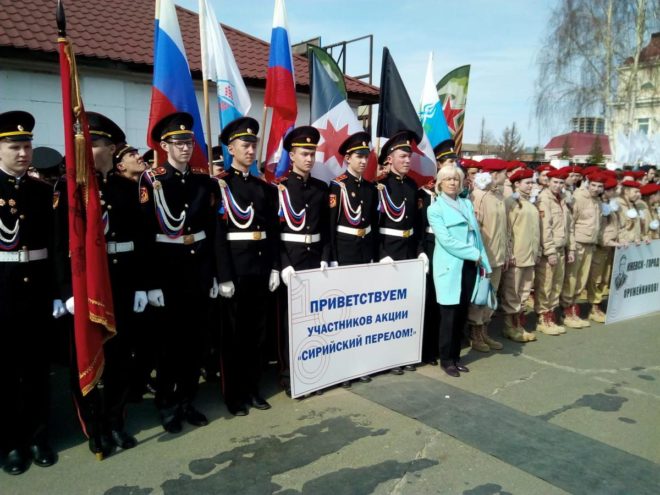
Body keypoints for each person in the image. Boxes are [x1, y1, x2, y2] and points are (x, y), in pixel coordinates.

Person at [53, 113, 150, 457]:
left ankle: (115, 420)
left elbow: (142, 241)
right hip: (88, 286)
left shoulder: (127, 188)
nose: (85, 149)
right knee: (88, 354)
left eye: (93, 144)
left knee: (121, 356)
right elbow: (59, 243)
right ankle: (94, 427)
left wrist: (142, 286)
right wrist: (65, 291)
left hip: (122, 282)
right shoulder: (72, 189)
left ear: (111, 148)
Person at [140, 112, 218, 433]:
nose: (185, 148)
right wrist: (150, 283)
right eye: (178, 143)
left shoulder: (202, 180)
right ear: (164, 146)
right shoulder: (153, 180)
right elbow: (145, 235)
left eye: (189, 142)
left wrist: (213, 274)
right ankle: (166, 402)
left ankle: (187, 399)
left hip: (197, 269)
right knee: (169, 344)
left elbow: (210, 230)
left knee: (195, 342)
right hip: (168, 272)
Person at [0, 111, 57, 475]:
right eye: (14, 147)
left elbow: (54, 245)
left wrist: (58, 291)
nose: (23, 153)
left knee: (37, 368)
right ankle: (10, 443)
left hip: (36, 287)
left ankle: (38, 436)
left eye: (27, 146)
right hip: (2, 288)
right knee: (5, 371)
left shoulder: (43, 191)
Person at [215, 117, 280, 415]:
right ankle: (234, 395)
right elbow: (218, 234)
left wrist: (275, 267)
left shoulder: (264, 188)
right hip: (236, 271)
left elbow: (272, 232)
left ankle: (253, 389)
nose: (251, 150)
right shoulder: (220, 185)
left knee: (257, 335)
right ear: (231, 149)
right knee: (234, 337)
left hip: (260, 268)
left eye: (254, 145)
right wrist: (224, 275)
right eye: (245, 145)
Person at [276, 126, 331, 393]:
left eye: (312, 153)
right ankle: (289, 374)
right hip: (293, 263)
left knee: (314, 320)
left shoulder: (321, 188)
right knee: (290, 323)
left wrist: (326, 258)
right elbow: (275, 233)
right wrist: (284, 264)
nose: (309, 158)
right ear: (292, 156)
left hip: (314, 261)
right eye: (304, 153)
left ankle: (312, 371)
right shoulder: (280, 188)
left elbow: (327, 229)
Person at [427, 164, 491, 377]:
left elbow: (477, 236)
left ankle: (456, 357)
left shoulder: (466, 203)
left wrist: (483, 260)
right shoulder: (435, 209)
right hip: (449, 266)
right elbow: (446, 241)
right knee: (449, 315)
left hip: (469, 265)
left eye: (456, 179)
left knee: (462, 312)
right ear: (440, 183)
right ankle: (446, 360)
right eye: (448, 179)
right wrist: (474, 254)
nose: (452, 183)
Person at [328, 131, 379, 386]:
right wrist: (332, 258)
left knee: (361, 313)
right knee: (343, 315)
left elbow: (373, 225)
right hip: (345, 254)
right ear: (347, 158)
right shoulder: (337, 186)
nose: (363, 161)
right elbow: (331, 226)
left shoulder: (370, 188)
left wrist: (372, 256)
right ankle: (342, 367)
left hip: (363, 254)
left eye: (366, 156)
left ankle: (359, 363)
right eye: (358, 156)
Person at [376, 130, 429, 374]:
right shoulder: (380, 186)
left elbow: (417, 224)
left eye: (409, 157)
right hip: (389, 254)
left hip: (408, 253)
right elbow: (373, 226)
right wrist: (381, 253)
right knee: (387, 311)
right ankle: (386, 357)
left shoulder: (412, 186)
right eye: (403, 156)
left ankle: (404, 353)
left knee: (406, 307)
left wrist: (420, 251)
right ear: (389, 159)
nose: (408, 160)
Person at [467, 158, 508, 352]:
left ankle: (484, 331)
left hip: (498, 255)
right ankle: (475, 334)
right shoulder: (479, 196)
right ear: (494, 175)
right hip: (485, 256)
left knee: (491, 296)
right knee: (480, 295)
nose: (506, 177)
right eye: (504, 173)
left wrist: (506, 252)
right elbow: (475, 229)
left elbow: (504, 228)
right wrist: (479, 255)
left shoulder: (498, 195)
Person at [559, 172, 603, 328]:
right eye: (593, 185)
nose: (596, 189)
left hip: (590, 243)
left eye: (599, 186)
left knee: (582, 279)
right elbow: (570, 224)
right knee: (571, 278)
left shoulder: (597, 200)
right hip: (577, 243)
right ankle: (566, 310)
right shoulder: (578, 197)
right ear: (587, 183)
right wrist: (571, 247)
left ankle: (573, 307)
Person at [500, 168, 539, 342]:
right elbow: (507, 230)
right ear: (517, 184)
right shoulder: (511, 202)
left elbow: (535, 231)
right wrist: (509, 253)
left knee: (523, 292)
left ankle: (518, 325)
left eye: (532, 182)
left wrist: (537, 251)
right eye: (527, 183)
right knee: (512, 292)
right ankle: (509, 327)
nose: (531, 186)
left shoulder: (530, 203)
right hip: (516, 254)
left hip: (530, 255)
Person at [534, 168, 574, 335]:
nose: (558, 185)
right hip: (550, 250)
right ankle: (543, 318)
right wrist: (550, 251)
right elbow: (545, 227)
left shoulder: (562, 199)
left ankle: (551, 314)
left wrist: (571, 248)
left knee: (557, 284)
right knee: (546, 284)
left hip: (561, 248)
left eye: (561, 182)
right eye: (555, 182)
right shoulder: (544, 199)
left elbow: (569, 227)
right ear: (548, 182)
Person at [586, 176, 620, 322]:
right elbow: (598, 228)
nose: (614, 192)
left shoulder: (610, 205)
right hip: (601, 246)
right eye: (611, 190)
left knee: (605, 277)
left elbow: (615, 226)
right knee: (596, 278)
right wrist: (605, 241)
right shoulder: (598, 205)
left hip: (610, 247)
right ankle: (594, 307)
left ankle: (598, 304)